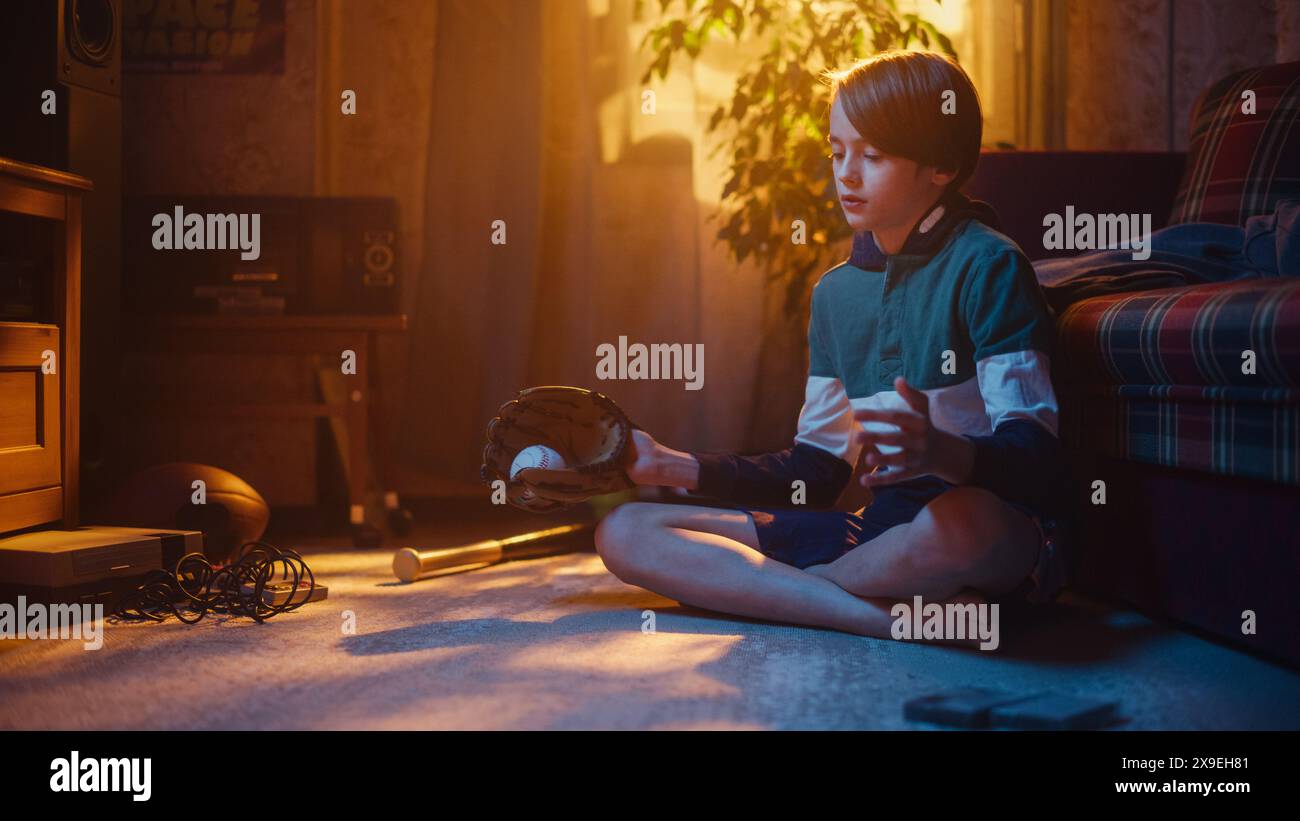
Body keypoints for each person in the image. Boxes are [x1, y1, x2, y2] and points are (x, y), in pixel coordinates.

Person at [595, 49, 1069, 644]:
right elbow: (815, 473)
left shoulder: (990, 265)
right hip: (875, 536)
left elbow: (1036, 464)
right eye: (837, 151)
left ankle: (815, 588)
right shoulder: (835, 295)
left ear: (941, 165)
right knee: (625, 531)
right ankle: (883, 616)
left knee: (959, 524)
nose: (846, 174)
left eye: (871, 155)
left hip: (981, 530)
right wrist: (672, 465)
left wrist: (944, 453)